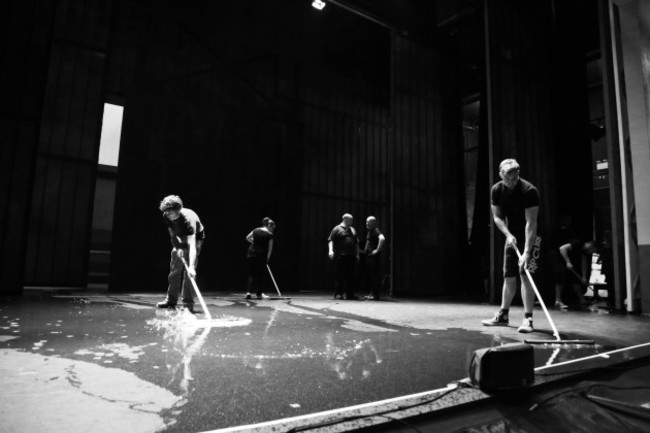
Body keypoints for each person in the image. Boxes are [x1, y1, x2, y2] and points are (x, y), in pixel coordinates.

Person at [482, 159, 540, 333]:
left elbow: (531, 223)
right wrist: (508, 235)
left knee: (525, 274)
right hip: (512, 234)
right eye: (509, 178)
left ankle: (528, 319)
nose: (513, 181)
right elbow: (497, 217)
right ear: (501, 174)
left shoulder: (529, 191)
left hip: (532, 235)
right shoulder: (497, 190)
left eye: (515, 177)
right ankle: (503, 315)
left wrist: (527, 252)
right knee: (508, 275)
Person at [156, 195, 206, 313]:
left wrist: (192, 267)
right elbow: (172, 235)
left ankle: (188, 304)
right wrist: (178, 247)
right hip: (180, 236)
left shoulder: (189, 220)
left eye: (171, 213)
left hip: (195, 238)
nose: (168, 215)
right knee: (174, 269)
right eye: (166, 213)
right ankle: (171, 300)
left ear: (178, 209)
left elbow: (192, 245)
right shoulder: (166, 215)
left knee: (189, 273)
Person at [553, 239, 596, 310]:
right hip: (559, 260)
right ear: (591, 246)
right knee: (560, 280)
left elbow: (584, 263)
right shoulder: (578, 243)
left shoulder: (584, 251)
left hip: (570, 264)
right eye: (593, 250)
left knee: (575, 281)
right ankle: (558, 301)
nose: (592, 252)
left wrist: (584, 277)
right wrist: (568, 262)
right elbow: (562, 248)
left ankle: (582, 300)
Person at [328, 213, 360, 300]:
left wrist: (357, 254)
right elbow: (330, 240)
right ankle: (339, 293)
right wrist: (330, 251)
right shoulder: (337, 229)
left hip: (351, 256)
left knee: (351, 276)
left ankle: (350, 294)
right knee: (340, 275)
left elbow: (356, 243)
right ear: (345, 219)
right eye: (351, 220)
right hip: (340, 256)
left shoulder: (353, 230)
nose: (352, 221)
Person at [245, 217, 275, 300]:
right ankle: (259, 294)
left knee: (252, 274)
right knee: (260, 275)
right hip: (260, 256)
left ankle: (248, 292)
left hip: (251, 254)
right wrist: (267, 259)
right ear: (270, 226)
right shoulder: (270, 235)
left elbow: (247, 238)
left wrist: (254, 242)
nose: (272, 230)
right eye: (273, 228)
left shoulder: (256, 230)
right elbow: (270, 249)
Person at [361, 216, 386, 300]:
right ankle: (372, 294)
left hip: (373, 257)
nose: (367, 223)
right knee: (371, 276)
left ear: (374, 223)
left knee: (374, 276)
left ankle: (375, 295)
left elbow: (382, 238)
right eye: (366, 222)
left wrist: (377, 250)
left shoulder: (375, 230)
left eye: (369, 222)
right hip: (369, 257)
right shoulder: (371, 231)